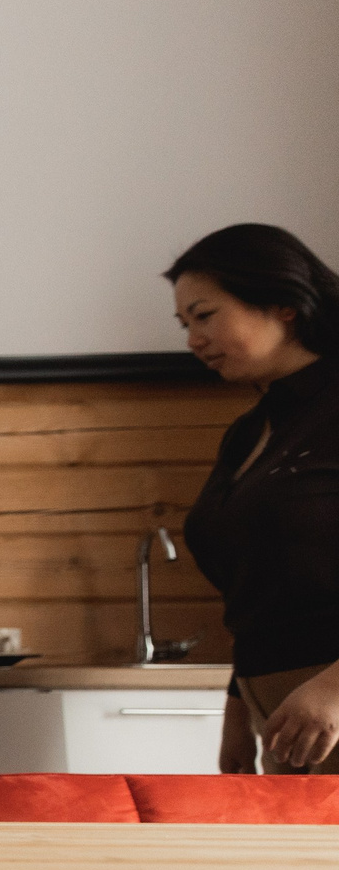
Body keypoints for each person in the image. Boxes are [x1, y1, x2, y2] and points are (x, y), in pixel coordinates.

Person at [169, 225, 339, 775]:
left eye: (205, 315)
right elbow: (259, 591)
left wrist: (333, 690)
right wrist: (239, 706)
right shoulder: (247, 433)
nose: (193, 340)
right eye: (185, 324)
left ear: (282, 304)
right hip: (285, 715)